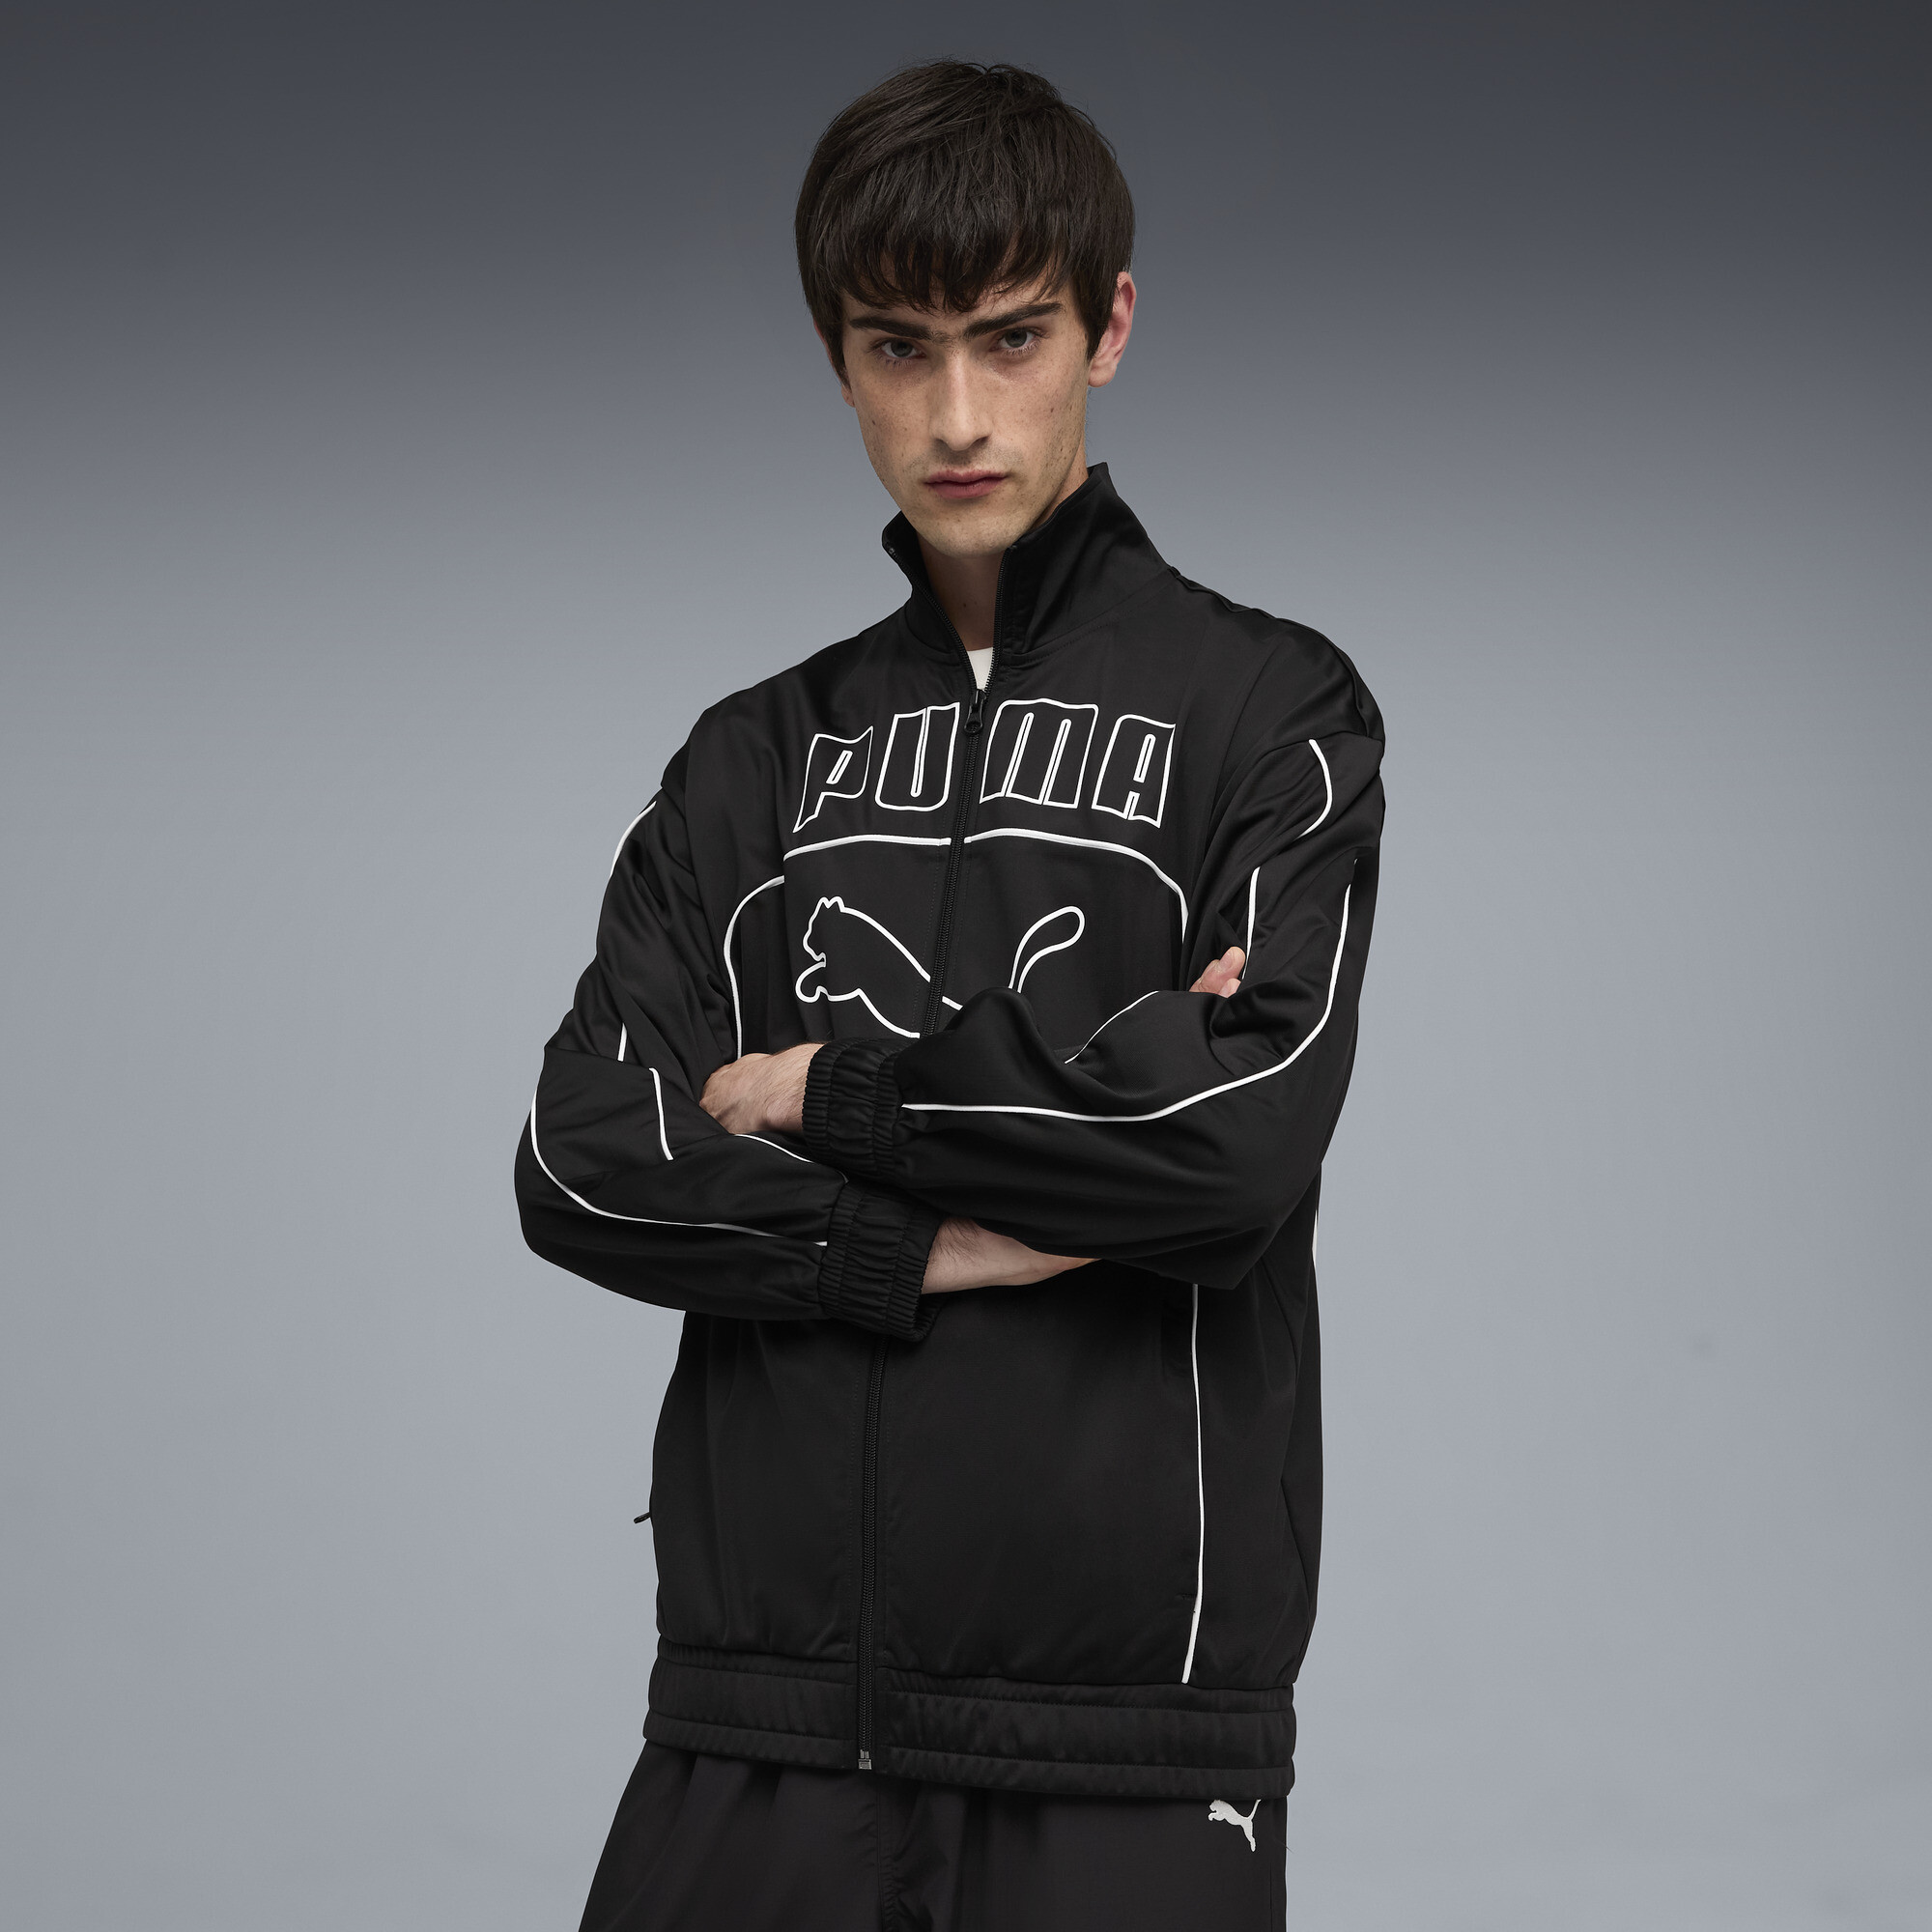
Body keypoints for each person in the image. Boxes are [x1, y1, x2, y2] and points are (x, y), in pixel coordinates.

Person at [517, 58, 1383, 1932]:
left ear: (1110, 327)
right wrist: (926, 1247)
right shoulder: (752, 760)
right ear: (838, 360)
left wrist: (828, 1094)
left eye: (1012, 337)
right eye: (899, 349)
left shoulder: (1269, 713)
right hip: (756, 1723)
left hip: (1124, 1751)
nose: (959, 413)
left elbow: (1232, 1143)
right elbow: (582, 1154)